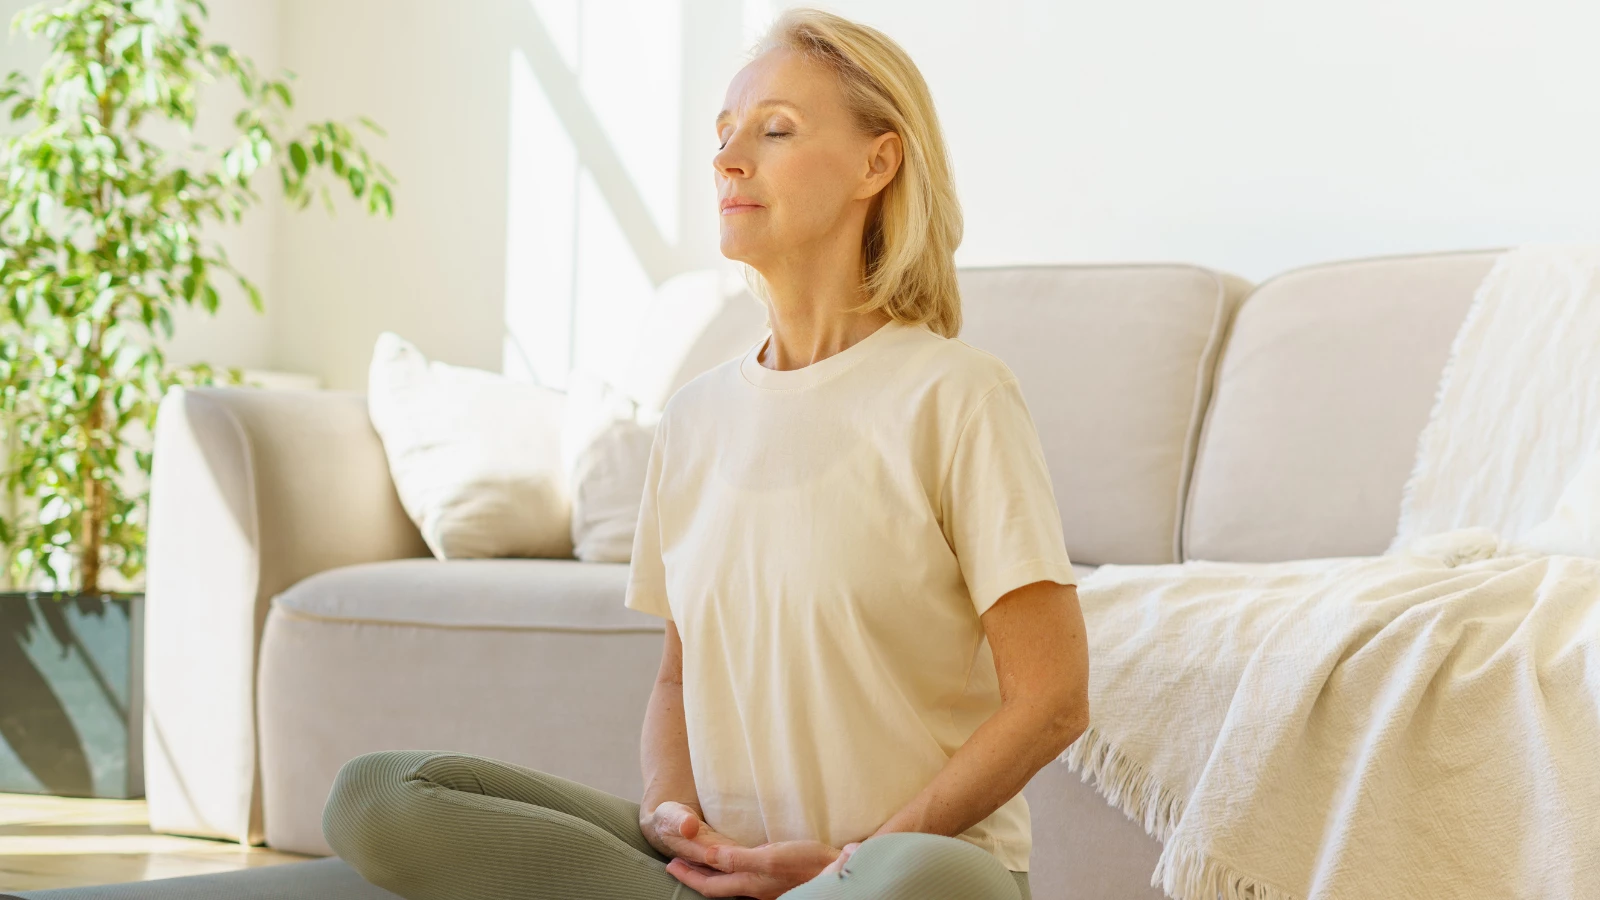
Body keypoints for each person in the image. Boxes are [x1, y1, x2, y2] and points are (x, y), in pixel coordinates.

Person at [322, 8, 1090, 900]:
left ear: (877, 163)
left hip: (903, 873)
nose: (728, 160)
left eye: (774, 130)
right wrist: (673, 818)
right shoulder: (693, 418)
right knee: (379, 798)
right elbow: (676, 679)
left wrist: (852, 856)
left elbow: (1053, 698)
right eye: (723, 135)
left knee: (915, 880)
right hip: (730, 869)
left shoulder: (956, 396)